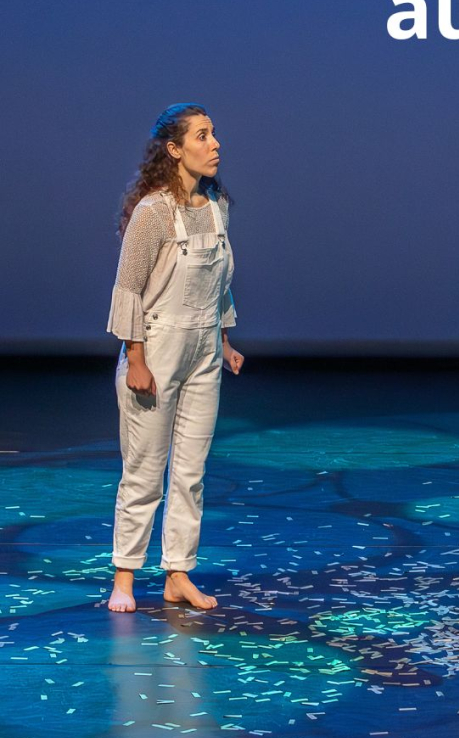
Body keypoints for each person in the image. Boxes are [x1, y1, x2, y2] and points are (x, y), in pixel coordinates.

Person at [105, 103, 244, 613]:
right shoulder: (153, 212)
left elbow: (217, 282)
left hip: (203, 350)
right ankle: (124, 577)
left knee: (190, 471)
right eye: (202, 135)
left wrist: (224, 340)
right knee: (144, 471)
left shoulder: (217, 205)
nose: (215, 143)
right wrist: (136, 358)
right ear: (174, 149)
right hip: (156, 349)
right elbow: (129, 289)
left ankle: (177, 574)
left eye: (214, 133)